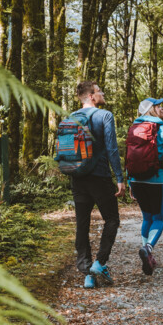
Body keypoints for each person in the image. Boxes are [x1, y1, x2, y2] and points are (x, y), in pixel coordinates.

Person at [69, 81, 125, 289]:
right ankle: (100, 263)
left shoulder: (71, 117)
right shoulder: (105, 116)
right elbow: (111, 149)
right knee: (112, 219)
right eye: (99, 90)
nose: (102, 93)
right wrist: (119, 177)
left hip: (77, 178)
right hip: (99, 177)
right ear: (92, 96)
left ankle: (87, 273)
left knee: (82, 224)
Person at [127, 98, 163, 275]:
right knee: (159, 218)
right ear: (152, 110)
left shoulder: (133, 128)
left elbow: (128, 157)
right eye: (159, 106)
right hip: (157, 180)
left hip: (136, 180)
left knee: (147, 218)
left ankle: (147, 255)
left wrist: (130, 182)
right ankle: (148, 248)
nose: (162, 108)